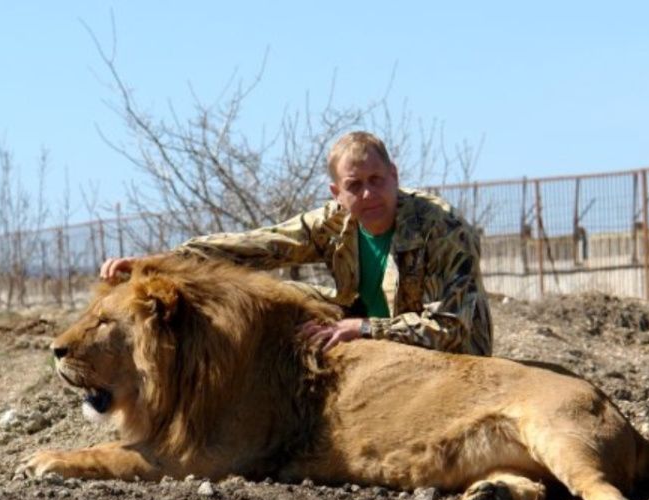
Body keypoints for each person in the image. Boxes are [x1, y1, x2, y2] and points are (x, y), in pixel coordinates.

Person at [100, 131, 493, 356]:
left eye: (377, 180)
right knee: (279, 295)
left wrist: (365, 329)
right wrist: (162, 262)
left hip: (449, 356)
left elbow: (449, 328)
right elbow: (255, 246)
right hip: (369, 327)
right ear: (337, 192)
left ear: (394, 175)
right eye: (355, 186)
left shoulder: (443, 229)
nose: (370, 194)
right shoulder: (332, 223)